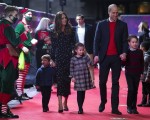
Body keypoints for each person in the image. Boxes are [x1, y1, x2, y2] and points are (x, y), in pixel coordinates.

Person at [94, 4, 128, 115]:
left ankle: (114, 107)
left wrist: (124, 52)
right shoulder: (101, 24)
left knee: (115, 83)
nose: (115, 14)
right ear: (109, 12)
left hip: (116, 58)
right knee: (102, 82)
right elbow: (96, 41)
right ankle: (103, 101)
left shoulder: (123, 25)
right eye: (113, 12)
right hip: (104, 57)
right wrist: (96, 54)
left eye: (117, 12)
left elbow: (124, 41)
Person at [0, 5, 28, 118]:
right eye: (16, 15)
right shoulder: (7, 26)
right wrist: (24, 36)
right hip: (7, 57)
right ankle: (4, 110)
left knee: (2, 83)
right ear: (10, 15)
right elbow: (15, 41)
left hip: (2, 56)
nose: (17, 17)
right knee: (7, 84)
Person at [50, 11, 75, 113]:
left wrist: (74, 51)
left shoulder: (71, 30)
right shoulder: (53, 31)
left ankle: (65, 102)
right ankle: (60, 102)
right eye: (62, 18)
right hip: (59, 58)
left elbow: (73, 43)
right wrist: (52, 59)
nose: (65, 19)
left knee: (67, 81)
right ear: (58, 20)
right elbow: (53, 47)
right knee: (59, 81)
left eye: (65, 17)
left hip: (69, 58)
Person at [15, 8, 37, 100]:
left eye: (31, 15)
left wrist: (31, 42)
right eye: (29, 14)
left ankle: (21, 93)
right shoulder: (20, 25)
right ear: (24, 15)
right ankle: (19, 94)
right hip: (22, 53)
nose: (31, 16)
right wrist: (22, 47)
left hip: (27, 52)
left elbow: (25, 39)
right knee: (21, 74)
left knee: (24, 75)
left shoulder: (26, 26)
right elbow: (15, 38)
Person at [70, 43, 94, 114]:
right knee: (79, 93)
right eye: (80, 50)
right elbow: (71, 68)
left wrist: (90, 63)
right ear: (76, 50)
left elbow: (91, 63)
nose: (81, 51)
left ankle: (81, 106)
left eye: (83, 50)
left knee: (83, 93)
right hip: (78, 78)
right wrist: (72, 77)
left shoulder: (86, 57)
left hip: (85, 77)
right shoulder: (73, 59)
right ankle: (80, 108)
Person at [124, 35, 144, 114]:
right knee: (131, 89)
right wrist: (123, 58)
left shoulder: (140, 51)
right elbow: (123, 63)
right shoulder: (127, 52)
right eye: (133, 42)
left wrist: (142, 73)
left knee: (135, 90)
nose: (135, 44)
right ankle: (129, 106)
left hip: (137, 73)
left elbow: (142, 63)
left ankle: (134, 107)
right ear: (129, 43)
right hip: (129, 73)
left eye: (136, 42)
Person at [74, 14, 95, 87]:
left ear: (83, 19)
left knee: (90, 66)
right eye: (77, 19)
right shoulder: (75, 28)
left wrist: (93, 49)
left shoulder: (89, 27)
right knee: (79, 66)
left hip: (88, 49)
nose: (78, 21)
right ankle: (81, 83)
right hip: (78, 49)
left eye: (80, 19)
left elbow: (93, 39)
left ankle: (92, 82)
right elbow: (74, 40)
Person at [138, 41, 150, 107]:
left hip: (147, 75)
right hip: (143, 75)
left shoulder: (147, 56)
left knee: (148, 88)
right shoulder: (143, 55)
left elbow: (149, 67)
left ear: (143, 48)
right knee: (144, 88)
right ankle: (144, 101)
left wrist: (148, 76)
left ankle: (149, 102)